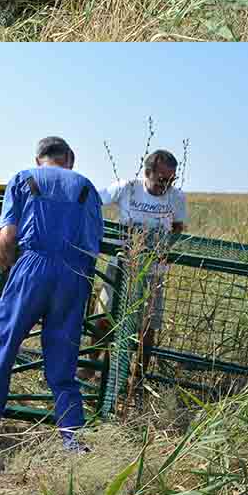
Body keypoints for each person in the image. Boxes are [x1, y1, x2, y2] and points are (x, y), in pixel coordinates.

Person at [0, 137, 102, 452]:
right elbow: (93, 245)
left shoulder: (24, 178)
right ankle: (73, 440)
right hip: (74, 274)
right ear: (70, 158)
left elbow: (7, 237)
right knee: (63, 362)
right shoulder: (87, 187)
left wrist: (6, 262)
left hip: (32, 268)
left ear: (38, 159)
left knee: (4, 347)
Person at [104, 149, 188, 384]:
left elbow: (178, 227)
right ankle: (95, 365)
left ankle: (138, 377)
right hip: (121, 264)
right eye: (162, 179)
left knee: (148, 325)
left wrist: (161, 248)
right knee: (105, 316)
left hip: (154, 270)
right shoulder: (128, 188)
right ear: (147, 172)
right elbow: (95, 200)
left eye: (172, 180)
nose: (167, 185)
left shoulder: (177, 197)